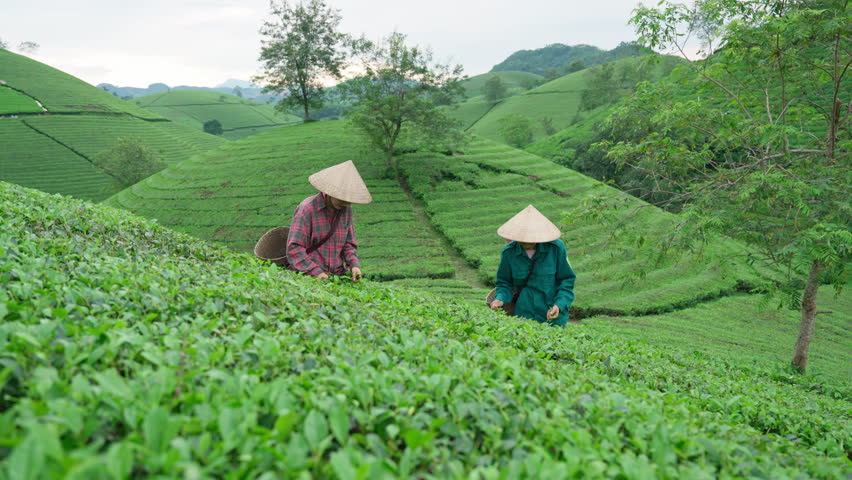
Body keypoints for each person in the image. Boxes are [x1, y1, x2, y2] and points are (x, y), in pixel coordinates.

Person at [490, 205, 576, 327]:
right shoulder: (509, 253)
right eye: (523, 240)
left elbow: (567, 280)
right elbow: (504, 283)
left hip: (552, 316)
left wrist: (559, 305)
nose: (526, 243)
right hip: (524, 315)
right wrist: (500, 298)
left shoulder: (555, 248)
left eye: (531, 239)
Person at [286, 160, 372, 281]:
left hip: (336, 277)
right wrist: (315, 272)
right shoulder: (307, 209)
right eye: (342, 198)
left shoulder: (346, 209)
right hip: (309, 277)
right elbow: (294, 249)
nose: (346, 203)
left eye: (349, 200)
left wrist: (354, 265)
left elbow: (348, 243)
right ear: (330, 191)